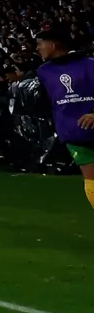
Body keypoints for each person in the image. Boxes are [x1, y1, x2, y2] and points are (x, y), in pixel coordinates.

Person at [35, 23, 94, 211]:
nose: (37, 48)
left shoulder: (90, 64)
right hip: (73, 132)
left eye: (40, 44)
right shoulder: (43, 71)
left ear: (53, 45)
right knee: (91, 180)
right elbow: (48, 100)